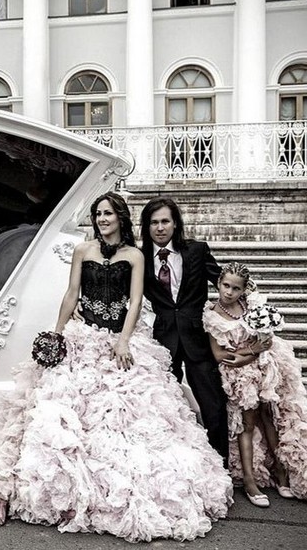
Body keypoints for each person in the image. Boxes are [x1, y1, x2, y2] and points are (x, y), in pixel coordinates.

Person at [0, 191, 233, 543]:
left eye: (108, 214)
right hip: (82, 337)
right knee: (58, 413)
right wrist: (58, 333)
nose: (102, 219)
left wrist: (123, 340)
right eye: (98, 214)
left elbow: (134, 302)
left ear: (121, 218)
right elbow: (71, 294)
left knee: (128, 416)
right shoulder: (82, 250)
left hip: (118, 341)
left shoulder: (135, 255)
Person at [202, 261, 307, 508]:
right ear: (218, 284)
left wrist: (255, 350)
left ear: (243, 289)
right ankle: (250, 481)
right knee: (246, 423)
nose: (229, 292)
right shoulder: (212, 314)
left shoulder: (251, 306)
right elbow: (220, 355)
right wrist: (250, 352)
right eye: (225, 285)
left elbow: (266, 342)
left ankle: (280, 472)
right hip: (239, 376)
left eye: (236, 288)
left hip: (265, 367)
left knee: (270, 417)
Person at [140, 197, 229, 464]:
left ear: (175, 223)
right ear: (146, 226)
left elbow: (225, 284)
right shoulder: (139, 258)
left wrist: (249, 314)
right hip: (161, 340)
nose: (160, 228)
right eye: (154, 222)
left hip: (197, 338)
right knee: (166, 406)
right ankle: (177, 465)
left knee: (213, 405)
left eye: (165, 221)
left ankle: (221, 464)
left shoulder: (197, 250)